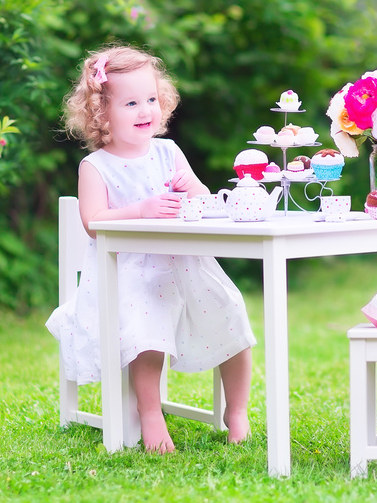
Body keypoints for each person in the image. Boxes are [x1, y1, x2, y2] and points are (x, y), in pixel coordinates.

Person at [46, 45, 256, 453]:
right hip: (127, 272)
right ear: (101, 113)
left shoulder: (168, 152)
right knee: (146, 330)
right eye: (130, 103)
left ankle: (237, 411)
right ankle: (150, 413)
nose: (146, 110)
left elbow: (204, 201)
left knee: (232, 312)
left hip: (185, 263)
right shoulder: (96, 167)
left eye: (151, 100)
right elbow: (92, 221)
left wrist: (192, 189)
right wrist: (139, 210)